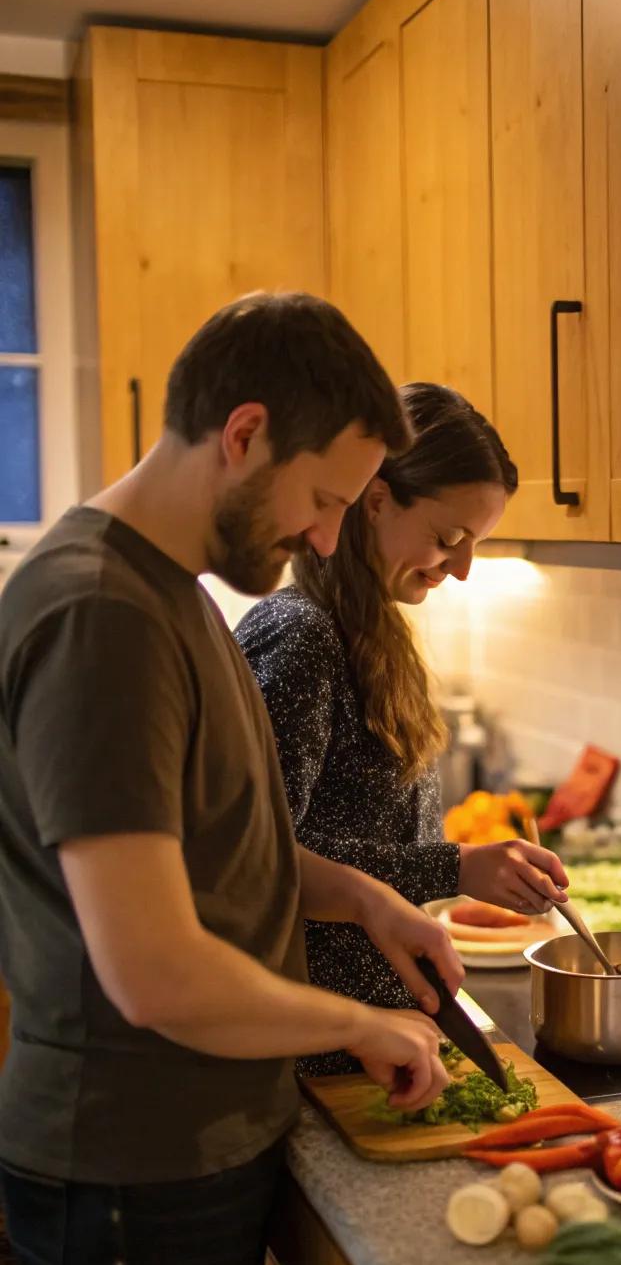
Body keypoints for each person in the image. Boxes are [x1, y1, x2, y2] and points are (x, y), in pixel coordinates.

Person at [0, 293, 464, 1265]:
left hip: (187, 1143)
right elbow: (152, 967)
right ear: (245, 433)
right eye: (323, 497)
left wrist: (366, 899)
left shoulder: (172, 594)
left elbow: (228, 847)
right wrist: (359, 1025)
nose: (323, 537)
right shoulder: (104, 616)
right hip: (131, 1162)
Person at [236, 382, 568, 1073]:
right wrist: (456, 865)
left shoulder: (369, 630)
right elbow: (259, 859)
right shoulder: (301, 638)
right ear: (377, 498)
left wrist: (465, 863)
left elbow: (358, 830)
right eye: (449, 538)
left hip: (375, 1037)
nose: (465, 568)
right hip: (312, 1051)